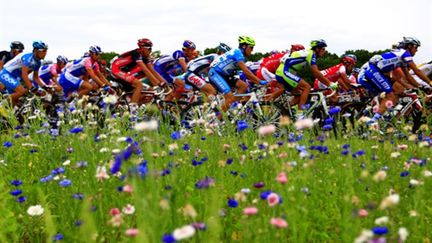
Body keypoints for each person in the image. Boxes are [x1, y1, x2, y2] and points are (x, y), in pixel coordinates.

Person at [358, 37, 432, 123]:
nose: (417, 50)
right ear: (409, 46)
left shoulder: (402, 58)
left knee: (397, 93)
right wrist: (429, 82)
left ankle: (376, 114)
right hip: (372, 70)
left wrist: (420, 87)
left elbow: (408, 77)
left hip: (374, 70)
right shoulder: (405, 53)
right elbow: (417, 71)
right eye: (416, 47)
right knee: (391, 95)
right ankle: (373, 122)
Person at [271, 39, 334, 111]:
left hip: (284, 71)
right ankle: (301, 112)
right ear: (317, 49)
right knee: (307, 87)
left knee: (300, 93)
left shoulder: (308, 53)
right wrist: (329, 83)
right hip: (285, 71)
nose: (324, 51)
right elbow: (316, 73)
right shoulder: (311, 54)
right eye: (323, 49)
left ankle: (285, 110)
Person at [208, 36, 267, 111]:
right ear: (244, 46)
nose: (252, 50)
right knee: (230, 98)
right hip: (215, 73)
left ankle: (232, 109)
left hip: (224, 75)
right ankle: (217, 120)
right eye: (251, 47)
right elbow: (246, 71)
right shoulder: (238, 53)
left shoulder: (239, 54)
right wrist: (259, 81)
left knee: (243, 86)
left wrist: (255, 81)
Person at [110, 38, 167, 104]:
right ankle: (133, 110)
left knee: (149, 92)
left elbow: (152, 71)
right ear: (143, 48)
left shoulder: (145, 57)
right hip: (116, 69)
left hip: (124, 72)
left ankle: (128, 106)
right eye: (149, 49)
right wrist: (158, 84)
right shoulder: (136, 54)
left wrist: (164, 83)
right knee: (139, 85)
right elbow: (145, 70)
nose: (151, 51)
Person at [0, 41, 48, 106]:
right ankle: (1, 106)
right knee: (21, 91)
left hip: (14, 77)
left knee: (15, 100)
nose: (45, 53)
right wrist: (31, 87)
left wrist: (45, 87)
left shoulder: (38, 63)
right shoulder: (28, 58)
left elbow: (35, 77)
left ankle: (7, 114)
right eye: (43, 51)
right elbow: (24, 74)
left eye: (46, 51)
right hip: (6, 73)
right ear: (36, 50)